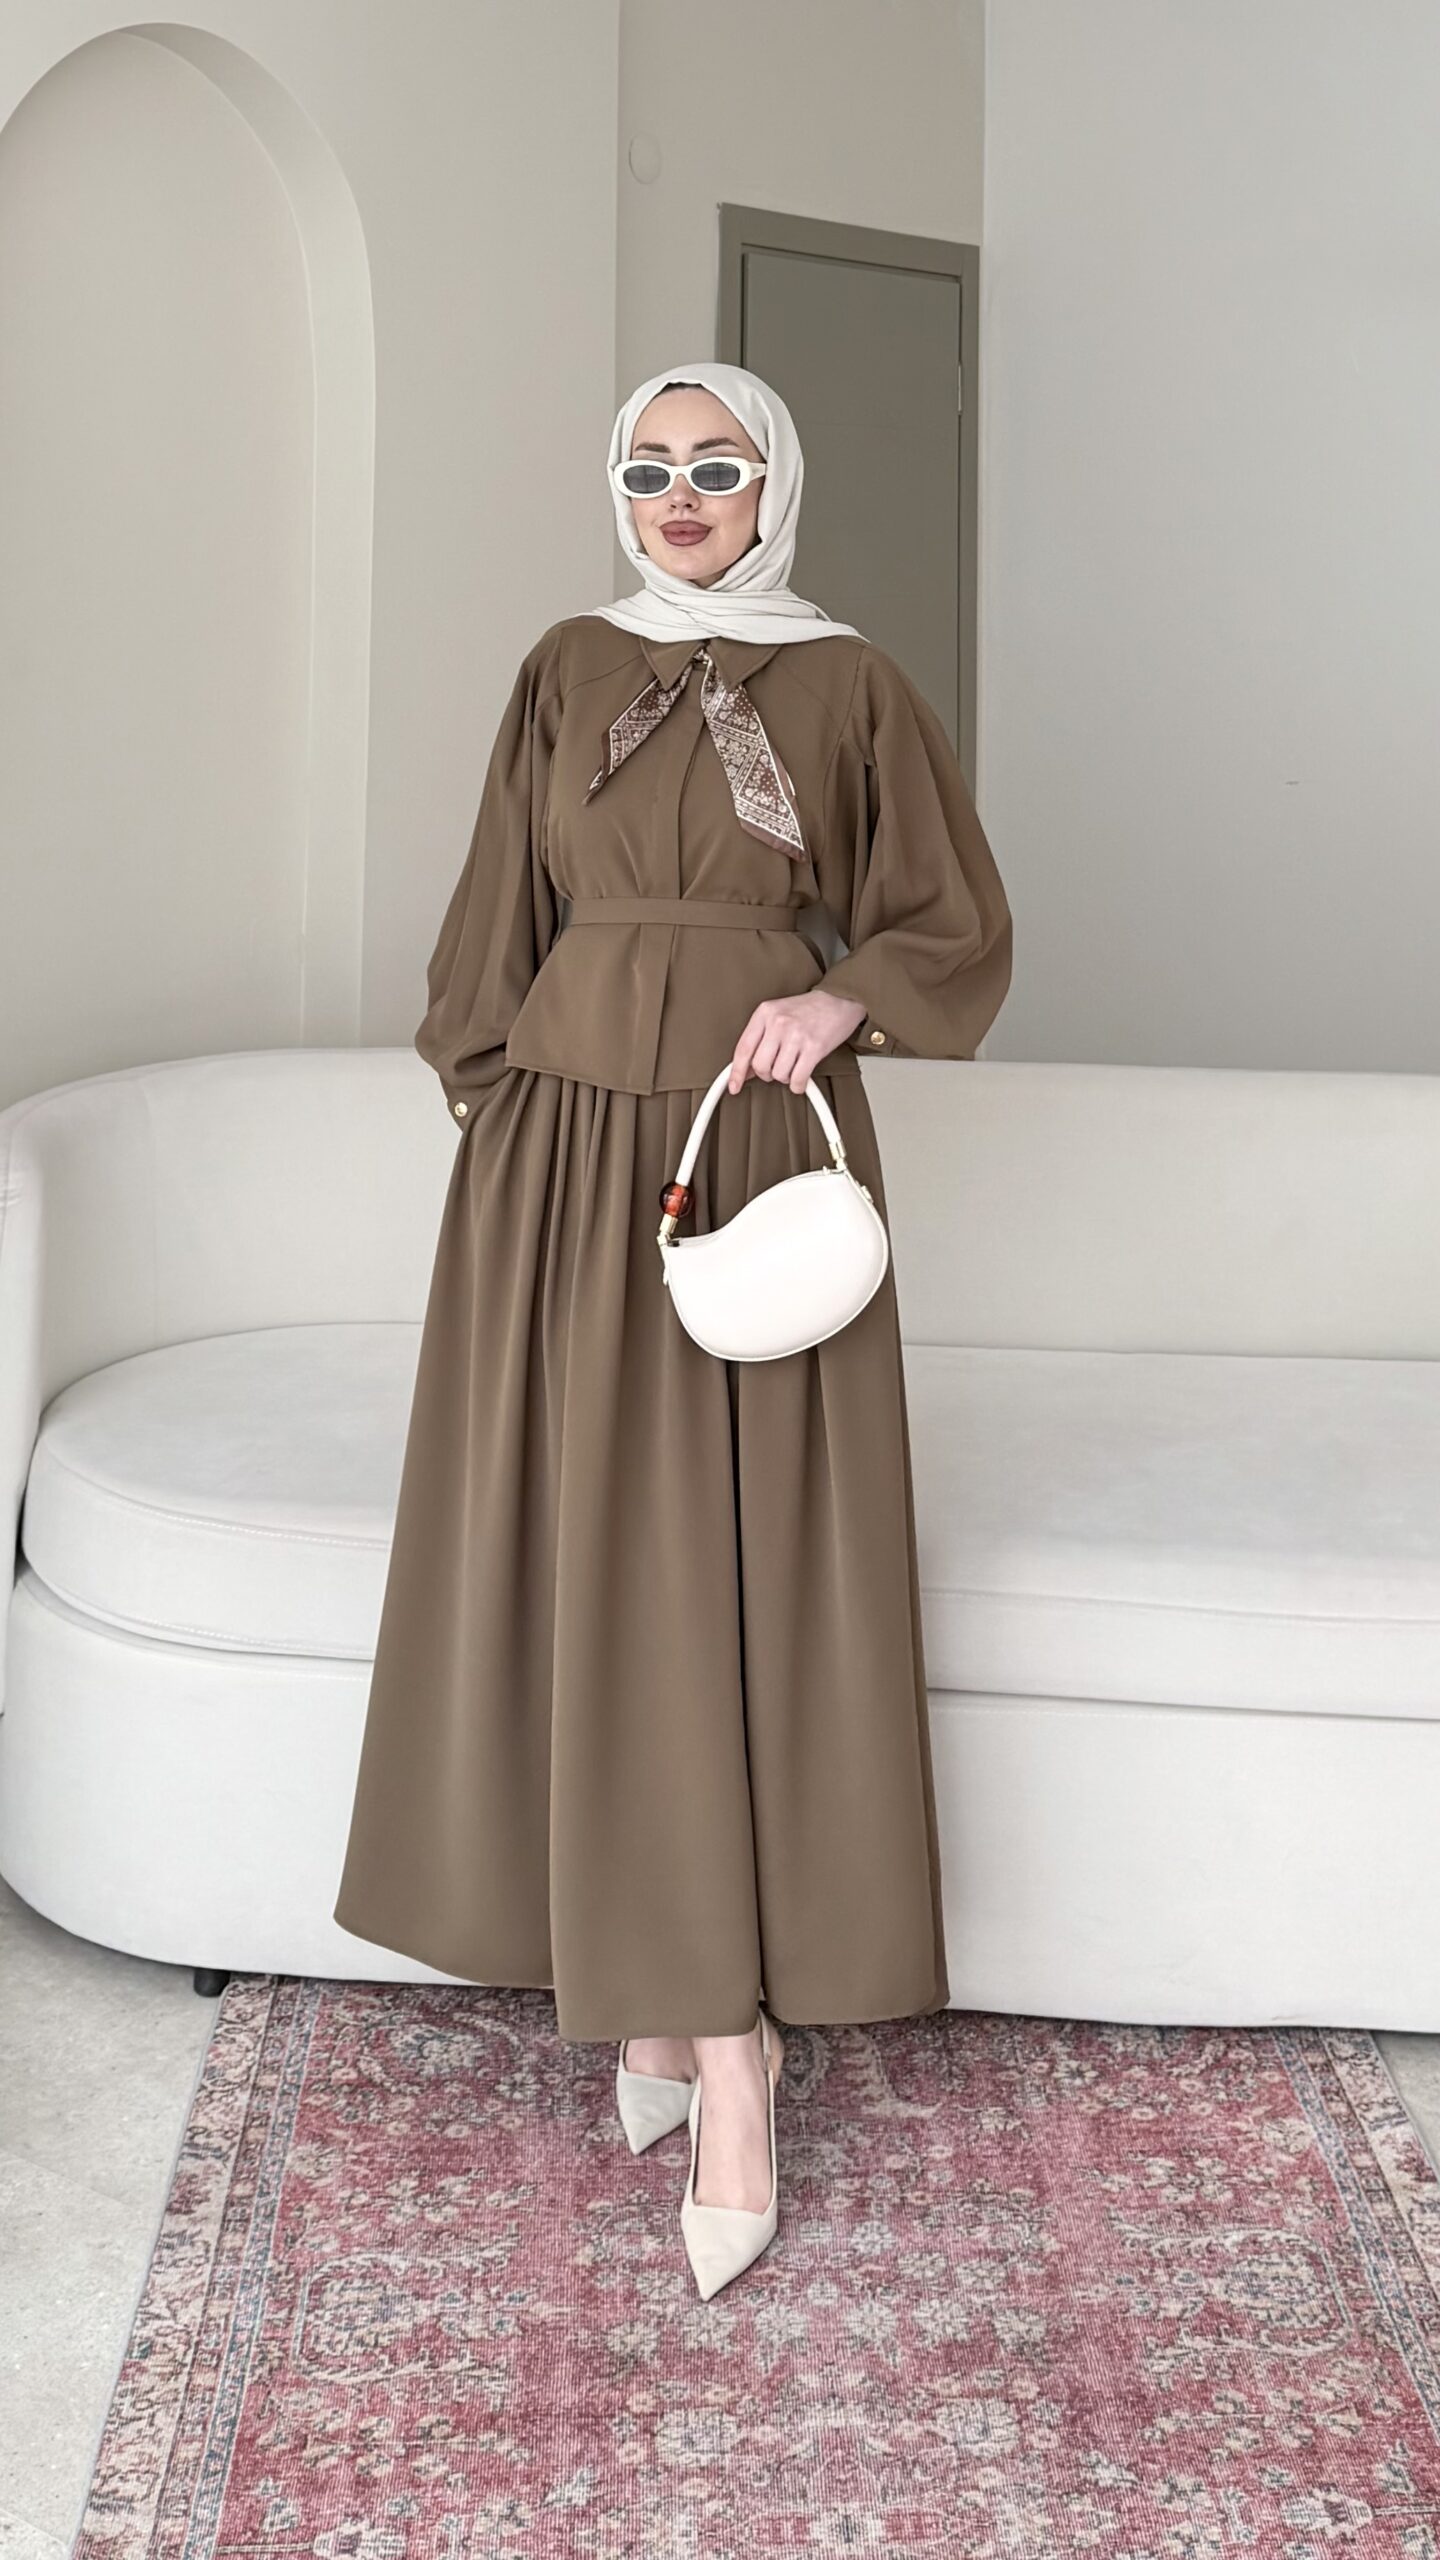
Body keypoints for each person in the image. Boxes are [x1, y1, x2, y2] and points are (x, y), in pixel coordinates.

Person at [332, 359, 1013, 2298]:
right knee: (590, 1558)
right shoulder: (564, 667)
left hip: (748, 1143)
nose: (682, 495)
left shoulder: (851, 682)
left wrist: (837, 998)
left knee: (727, 1570)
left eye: (718, 466)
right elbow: (494, 925)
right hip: (561, 1164)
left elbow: (952, 917)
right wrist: (506, 1122)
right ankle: (657, 2005)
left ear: (775, 483)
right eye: (650, 468)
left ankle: (728, 2051)